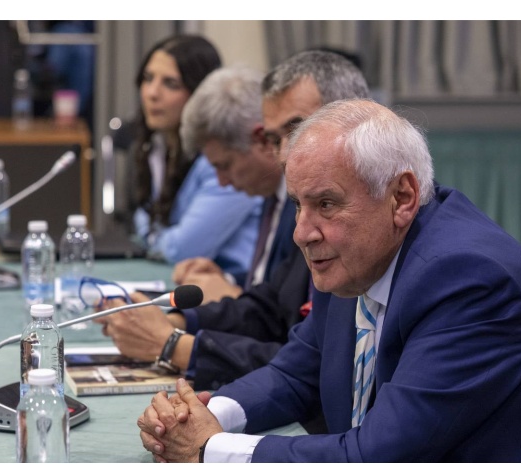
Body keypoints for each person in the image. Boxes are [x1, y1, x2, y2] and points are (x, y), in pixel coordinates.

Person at [138, 99, 521, 463]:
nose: (302, 233)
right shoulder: (356, 257)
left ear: (402, 198)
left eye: (326, 204)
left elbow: (376, 456)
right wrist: (205, 414)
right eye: (299, 205)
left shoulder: (469, 282)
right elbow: (295, 373)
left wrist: (210, 450)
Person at [95, 50, 370, 394]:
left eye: (298, 131)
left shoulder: (365, 226)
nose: (284, 154)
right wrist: (179, 320)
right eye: (277, 139)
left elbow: (313, 368)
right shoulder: (296, 205)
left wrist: (172, 344)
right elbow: (273, 309)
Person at [129, 34, 261, 285]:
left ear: (200, 93)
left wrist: (150, 237)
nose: (152, 93)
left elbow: (182, 249)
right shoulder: (158, 147)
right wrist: (154, 234)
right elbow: (143, 216)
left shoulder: (225, 162)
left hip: (239, 288)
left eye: (170, 84)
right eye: (147, 79)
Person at [172, 65, 295, 304]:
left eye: (225, 165)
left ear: (261, 140)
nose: (222, 181)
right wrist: (226, 280)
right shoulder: (270, 194)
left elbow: (292, 314)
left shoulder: (302, 206)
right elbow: (272, 283)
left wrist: (235, 297)